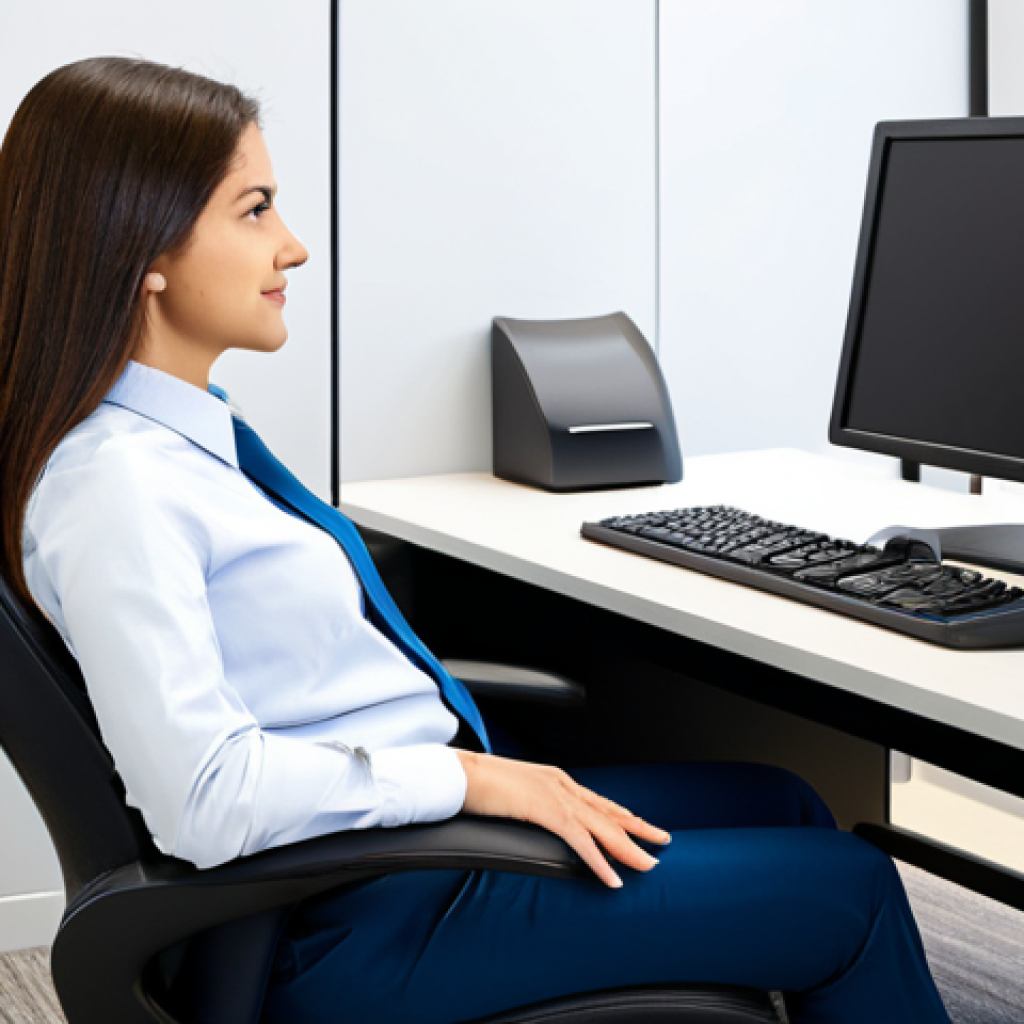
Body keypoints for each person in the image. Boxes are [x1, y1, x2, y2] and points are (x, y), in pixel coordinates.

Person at [0, 57, 951, 1024]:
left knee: (781, 802)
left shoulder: (178, 441)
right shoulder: (116, 487)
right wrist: (473, 777)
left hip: (386, 862)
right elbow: (201, 799)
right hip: (350, 920)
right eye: (255, 211)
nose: (292, 247)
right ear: (143, 248)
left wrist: (477, 780)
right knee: (852, 889)